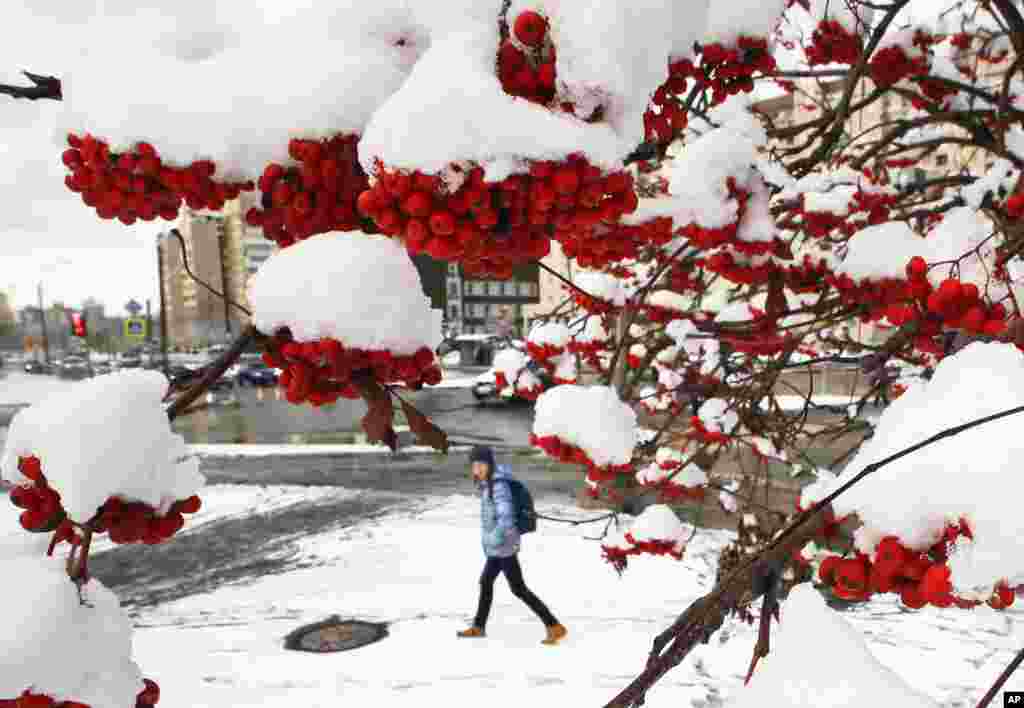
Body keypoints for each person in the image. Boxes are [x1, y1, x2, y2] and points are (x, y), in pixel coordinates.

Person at [457, 445, 567, 645]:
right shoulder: (488, 484)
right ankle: (479, 626)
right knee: (487, 582)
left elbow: (506, 518)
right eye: (474, 465)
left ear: (490, 465)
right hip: (499, 546)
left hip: (503, 545)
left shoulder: (497, 486)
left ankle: (554, 625)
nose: (478, 469)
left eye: (482, 464)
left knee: (518, 589)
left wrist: (494, 539)